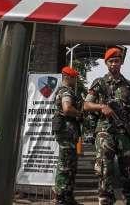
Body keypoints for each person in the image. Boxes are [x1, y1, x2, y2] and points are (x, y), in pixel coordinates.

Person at [83, 47, 130, 205]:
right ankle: (105, 200)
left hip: (124, 133)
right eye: (111, 61)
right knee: (104, 170)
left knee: (129, 172)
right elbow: (86, 105)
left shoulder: (129, 85)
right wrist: (101, 107)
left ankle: (129, 200)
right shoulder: (99, 83)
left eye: (117, 61)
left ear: (121, 62)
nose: (114, 64)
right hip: (104, 131)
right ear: (106, 63)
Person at [53, 66, 84, 205]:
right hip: (67, 132)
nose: (76, 80)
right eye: (75, 77)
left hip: (68, 133)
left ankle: (68, 198)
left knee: (70, 165)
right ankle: (60, 198)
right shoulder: (66, 91)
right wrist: (80, 114)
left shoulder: (64, 90)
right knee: (65, 166)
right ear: (68, 77)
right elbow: (67, 109)